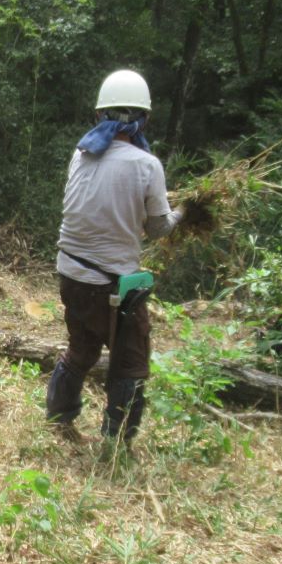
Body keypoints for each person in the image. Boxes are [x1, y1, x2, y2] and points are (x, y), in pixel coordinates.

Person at [45, 69, 184, 446]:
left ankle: (59, 418)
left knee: (81, 347)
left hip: (71, 275)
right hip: (113, 286)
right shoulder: (146, 165)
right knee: (131, 361)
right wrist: (183, 213)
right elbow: (157, 229)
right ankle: (117, 440)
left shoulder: (81, 155)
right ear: (144, 119)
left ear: (99, 116)